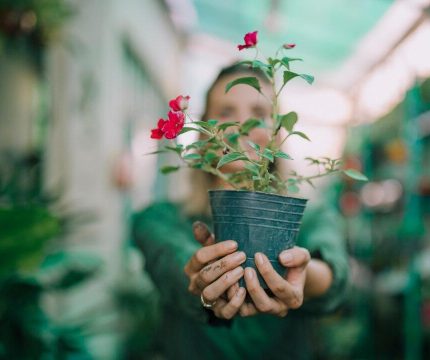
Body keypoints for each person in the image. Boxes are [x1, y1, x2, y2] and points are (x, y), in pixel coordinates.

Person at [132, 63, 349, 359]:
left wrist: (300, 272)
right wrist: (202, 277)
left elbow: (334, 276)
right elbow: (175, 265)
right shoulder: (161, 219)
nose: (241, 125)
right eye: (225, 113)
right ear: (203, 132)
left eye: (259, 114)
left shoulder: (309, 216)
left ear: (276, 133)